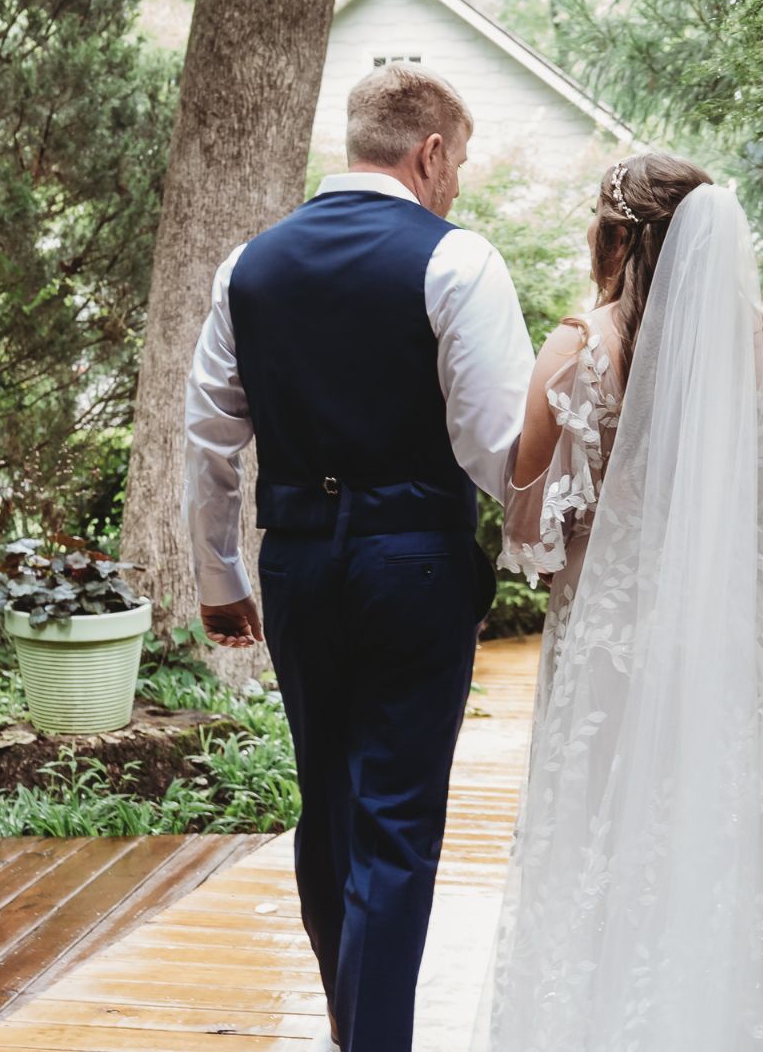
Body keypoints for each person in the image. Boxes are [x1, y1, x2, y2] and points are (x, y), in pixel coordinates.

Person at [474, 153, 763, 1049]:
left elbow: (524, 524)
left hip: (608, 630)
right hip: (729, 625)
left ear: (615, 239)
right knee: (734, 823)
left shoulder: (576, 349)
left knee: (603, 831)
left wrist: (592, 534)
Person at [182, 63, 534, 1052]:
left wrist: (220, 578)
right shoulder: (458, 262)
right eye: (456, 161)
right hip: (414, 567)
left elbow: (208, 437)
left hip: (294, 568)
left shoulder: (246, 267)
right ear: (427, 152)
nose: (455, 183)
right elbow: (497, 450)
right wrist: (559, 545)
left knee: (329, 813)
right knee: (395, 825)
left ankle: (353, 1034)